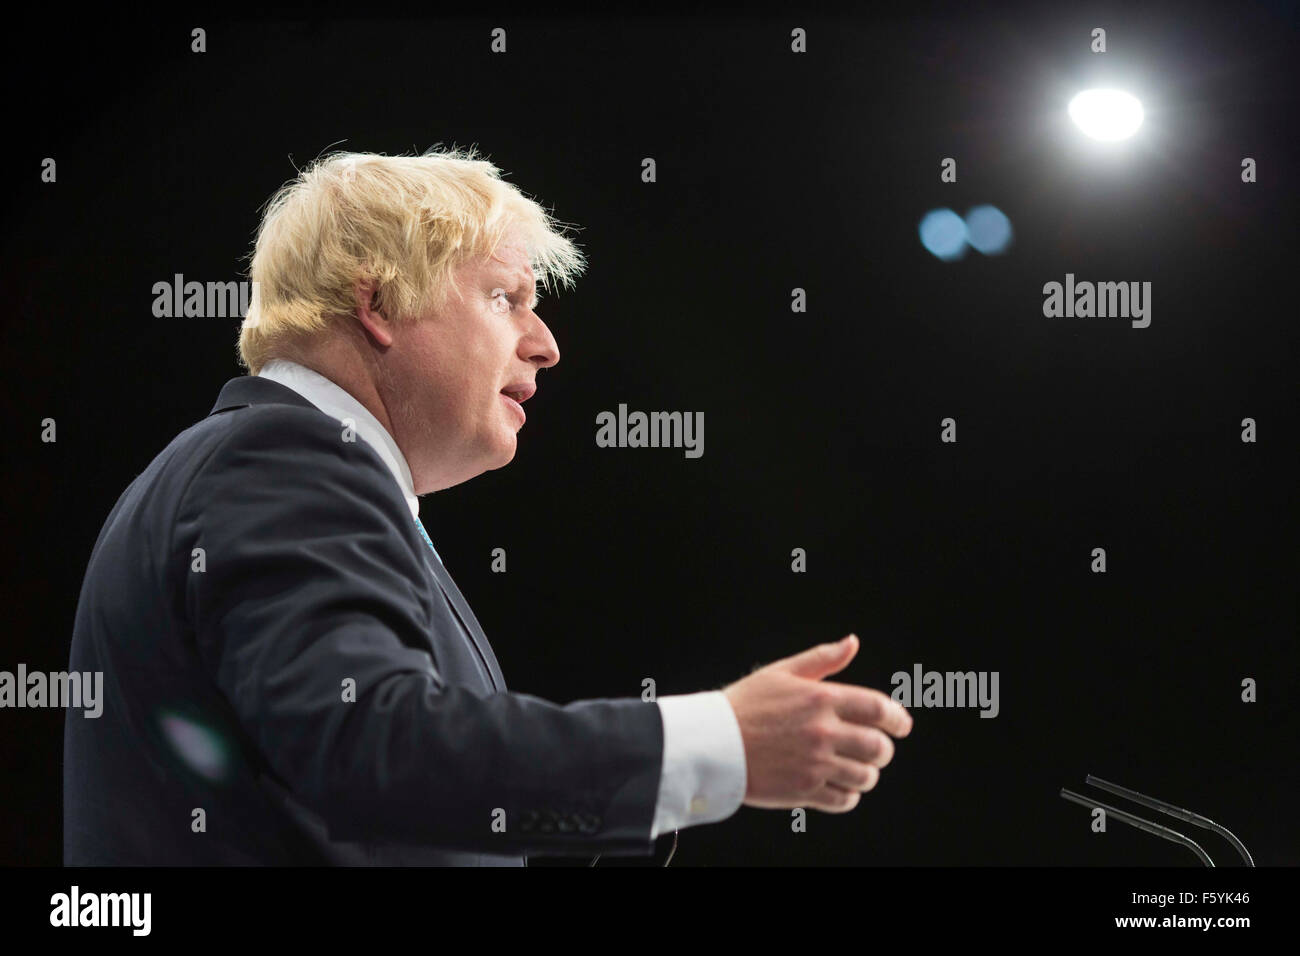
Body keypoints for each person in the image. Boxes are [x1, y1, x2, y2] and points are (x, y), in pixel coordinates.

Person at [63, 148, 913, 865]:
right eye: (506, 296)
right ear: (380, 303)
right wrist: (717, 743)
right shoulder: (283, 458)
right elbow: (372, 748)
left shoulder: (263, 466)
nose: (545, 343)